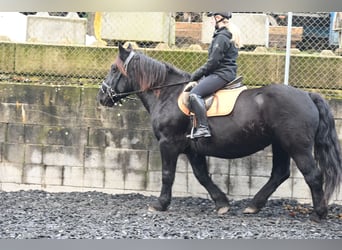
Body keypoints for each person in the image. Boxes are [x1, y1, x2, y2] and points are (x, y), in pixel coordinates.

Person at [188, 12, 241, 139]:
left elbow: (213, 62)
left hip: (221, 74)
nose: (211, 22)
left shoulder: (222, 37)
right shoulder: (226, 34)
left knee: (195, 94)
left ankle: (203, 128)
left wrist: (195, 75)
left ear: (218, 18)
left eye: (212, 19)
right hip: (225, 73)